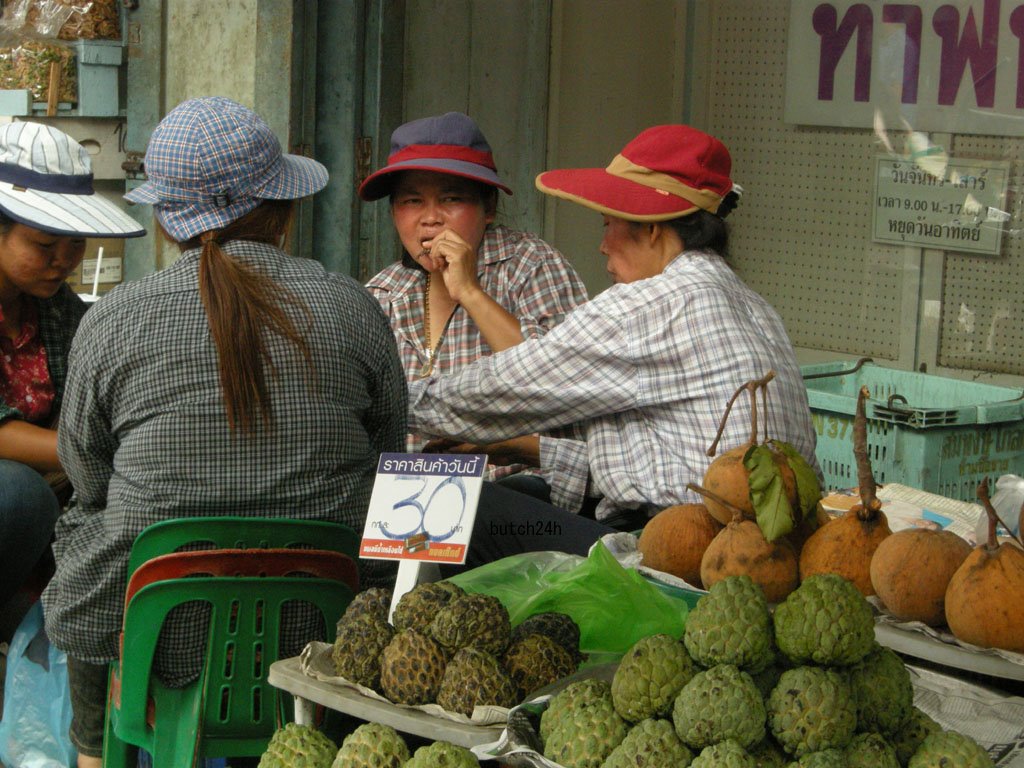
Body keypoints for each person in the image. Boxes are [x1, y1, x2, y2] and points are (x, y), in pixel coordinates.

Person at [41, 97, 406, 767]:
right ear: (284, 208)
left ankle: (93, 752)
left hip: (163, 641)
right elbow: (391, 458)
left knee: (85, 522)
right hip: (320, 635)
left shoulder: (115, 319)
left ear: (164, 217)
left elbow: (86, 474)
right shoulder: (353, 308)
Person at [408, 124, 821, 565]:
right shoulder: (754, 306)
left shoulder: (649, 305)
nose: (603, 246)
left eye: (609, 226)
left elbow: (502, 389)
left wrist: (385, 401)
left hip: (684, 552)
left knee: (458, 507)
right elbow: (651, 463)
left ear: (653, 229)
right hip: (767, 551)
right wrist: (508, 446)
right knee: (519, 491)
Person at [361, 112, 588, 502]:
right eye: (412, 201)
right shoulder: (383, 293)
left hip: (515, 493)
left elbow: (560, 385)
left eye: (451, 198)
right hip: (402, 503)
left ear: (489, 207)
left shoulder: (529, 265)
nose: (430, 218)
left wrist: (469, 290)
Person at [0, 121, 145, 614]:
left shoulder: (61, 308)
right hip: (21, 495)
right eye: (44, 245)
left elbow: (96, 391)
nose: (63, 260)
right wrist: (90, 452)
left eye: (75, 243)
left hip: (54, 480)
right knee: (17, 495)